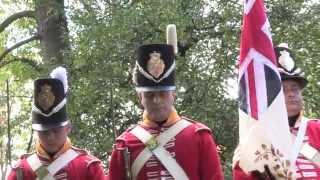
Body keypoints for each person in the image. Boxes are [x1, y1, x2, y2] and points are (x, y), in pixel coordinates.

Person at [107, 25, 224, 180]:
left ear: (173, 94)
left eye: (162, 94)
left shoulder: (199, 136)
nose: (156, 101)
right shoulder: (124, 144)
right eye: (149, 95)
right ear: (139, 98)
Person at [233, 43, 320, 179]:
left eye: (295, 88)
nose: (291, 94)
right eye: (284, 90)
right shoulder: (254, 138)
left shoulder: (316, 129)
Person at [7, 67, 106, 180]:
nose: (50, 137)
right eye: (44, 132)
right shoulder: (21, 169)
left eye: (56, 130)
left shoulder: (89, 166)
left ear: (68, 127)